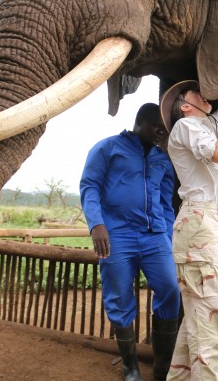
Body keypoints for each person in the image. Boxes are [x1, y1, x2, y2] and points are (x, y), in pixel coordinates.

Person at [159, 81, 218, 380]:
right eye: (195, 93)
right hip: (200, 221)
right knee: (208, 324)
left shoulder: (210, 125)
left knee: (196, 320)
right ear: (186, 106)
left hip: (211, 222)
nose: (203, 93)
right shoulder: (187, 126)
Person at [80, 103, 180, 381]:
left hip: (154, 237)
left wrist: (167, 235)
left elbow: (166, 201)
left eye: (164, 128)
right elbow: (89, 185)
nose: (161, 132)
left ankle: (161, 369)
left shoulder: (162, 159)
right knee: (119, 296)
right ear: (140, 123)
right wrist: (97, 224)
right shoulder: (108, 148)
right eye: (156, 127)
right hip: (116, 236)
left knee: (170, 288)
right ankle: (131, 367)